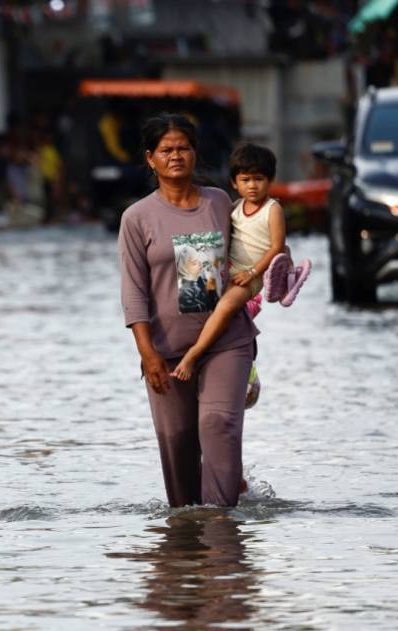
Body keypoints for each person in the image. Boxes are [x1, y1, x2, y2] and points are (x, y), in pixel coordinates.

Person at [119, 113, 259, 508]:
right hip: (166, 349)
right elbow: (133, 292)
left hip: (226, 341)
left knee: (218, 424)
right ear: (150, 158)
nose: (176, 156)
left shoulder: (219, 203)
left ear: (195, 154)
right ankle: (184, 546)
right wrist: (148, 354)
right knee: (178, 445)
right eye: (166, 150)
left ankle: (220, 524)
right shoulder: (137, 218)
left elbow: (251, 253)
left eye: (183, 148)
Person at [171, 144, 311, 380]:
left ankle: (193, 354)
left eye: (259, 179)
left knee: (225, 307)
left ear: (270, 180)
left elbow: (277, 246)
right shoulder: (236, 207)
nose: (252, 185)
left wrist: (253, 273)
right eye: (245, 180)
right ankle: (191, 345)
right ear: (235, 183)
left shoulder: (272, 210)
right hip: (230, 268)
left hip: (252, 276)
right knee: (195, 294)